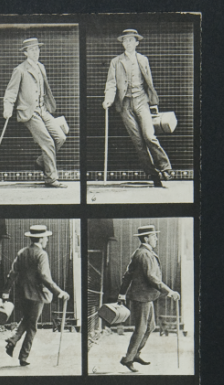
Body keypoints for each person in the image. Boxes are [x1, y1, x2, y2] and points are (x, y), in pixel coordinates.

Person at [103, 29, 173, 188]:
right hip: (125, 105)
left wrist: (153, 103)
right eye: (125, 40)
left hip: (142, 101)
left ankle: (165, 167)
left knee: (149, 136)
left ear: (137, 42)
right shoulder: (116, 61)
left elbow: (149, 82)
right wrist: (108, 99)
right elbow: (111, 83)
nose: (128, 43)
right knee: (138, 142)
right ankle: (153, 174)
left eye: (131, 40)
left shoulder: (143, 59)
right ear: (122, 43)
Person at [3, 37, 67, 188]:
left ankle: (40, 162)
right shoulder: (19, 70)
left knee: (60, 137)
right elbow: (10, 92)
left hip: (43, 110)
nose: (36, 52)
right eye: (32, 49)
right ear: (25, 53)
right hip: (29, 113)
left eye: (37, 49)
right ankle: (51, 178)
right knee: (48, 142)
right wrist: (7, 109)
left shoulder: (41, 67)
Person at [1, 225, 69, 366]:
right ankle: (23, 357)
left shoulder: (22, 252)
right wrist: (59, 292)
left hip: (22, 293)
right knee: (33, 326)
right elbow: (44, 276)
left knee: (27, 319)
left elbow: (12, 274)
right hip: (37, 294)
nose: (47, 241)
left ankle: (13, 339)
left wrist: (5, 292)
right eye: (46, 238)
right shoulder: (41, 254)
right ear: (41, 238)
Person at [117, 225, 180, 372]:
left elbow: (128, 275)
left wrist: (121, 293)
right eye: (154, 236)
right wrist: (169, 291)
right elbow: (152, 277)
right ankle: (128, 359)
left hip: (145, 296)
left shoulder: (141, 253)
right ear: (146, 238)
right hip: (141, 297)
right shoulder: (144, 254)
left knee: (150, 327)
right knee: (141, 329)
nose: (156, 239)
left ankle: (135, 354)